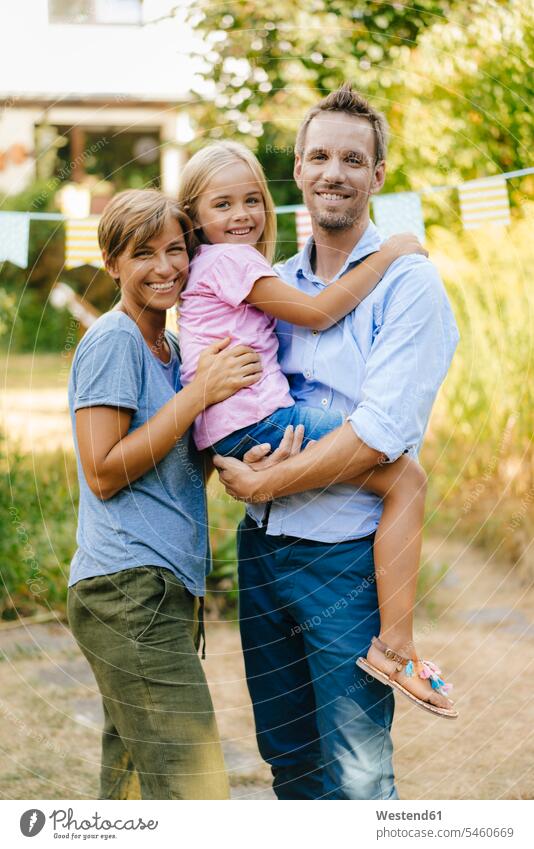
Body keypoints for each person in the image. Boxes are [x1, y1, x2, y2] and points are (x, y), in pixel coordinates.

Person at [214, 84, 460, 799]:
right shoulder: (272, 283)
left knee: (355, 780)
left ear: (378, 175)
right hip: (262, 555)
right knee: (289, 763)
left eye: (353, 158)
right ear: (296, 168)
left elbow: (379, 439)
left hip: (345, 562)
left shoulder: (409, 287)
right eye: (319, 155)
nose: (334, 171)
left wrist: (265, 480)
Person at [67, 188, 264, 800]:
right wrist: (198, 396)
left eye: (176, 249)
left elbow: (168, 465)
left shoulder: (174, 351)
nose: (165, 267)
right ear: (112, 264)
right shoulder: (114, 341)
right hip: (127, 590)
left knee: (132, 796)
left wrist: (239, 456)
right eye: (142, 253)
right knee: (196, 792)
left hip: (163, 588)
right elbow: (102, 471)